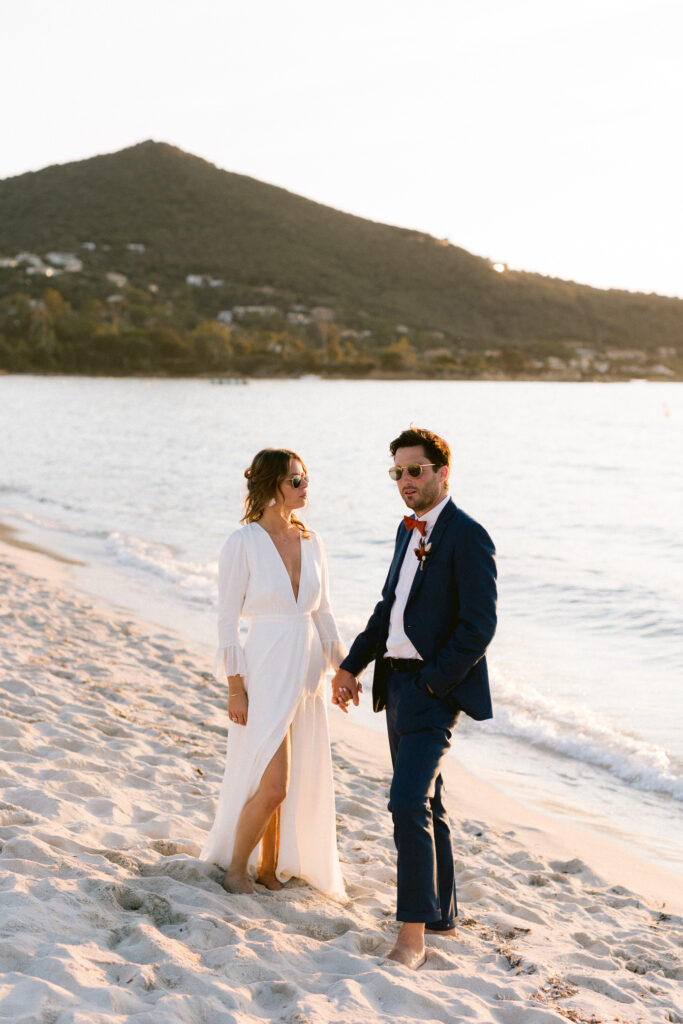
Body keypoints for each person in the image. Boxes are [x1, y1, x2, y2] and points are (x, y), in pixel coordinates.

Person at [331, 427, 497, 969]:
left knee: (406, 804)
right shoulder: (407, 532)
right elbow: (389, 610)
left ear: (442, 473)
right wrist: (351, 666)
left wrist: (433, 683)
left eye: (416, 470)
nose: (405, 480)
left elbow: (478, 626)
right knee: (430, 803)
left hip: (432, 690)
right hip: (394, 686)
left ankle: (411, 940)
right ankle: (442, 917)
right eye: (397, 472)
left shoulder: (468, 535)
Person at [201, 448, 346, 901]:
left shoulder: (312, 540)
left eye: (306, 478)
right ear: (271, 486)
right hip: (264, 667)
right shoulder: (241, 544)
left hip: (307, 672)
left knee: (290, 777)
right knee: (272, 784)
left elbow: (323, 613)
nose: (306, 487)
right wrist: (235, 686)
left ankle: (269, 870)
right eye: (296, 480)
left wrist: (343, 670)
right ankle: (235, 871)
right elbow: (227, 621)